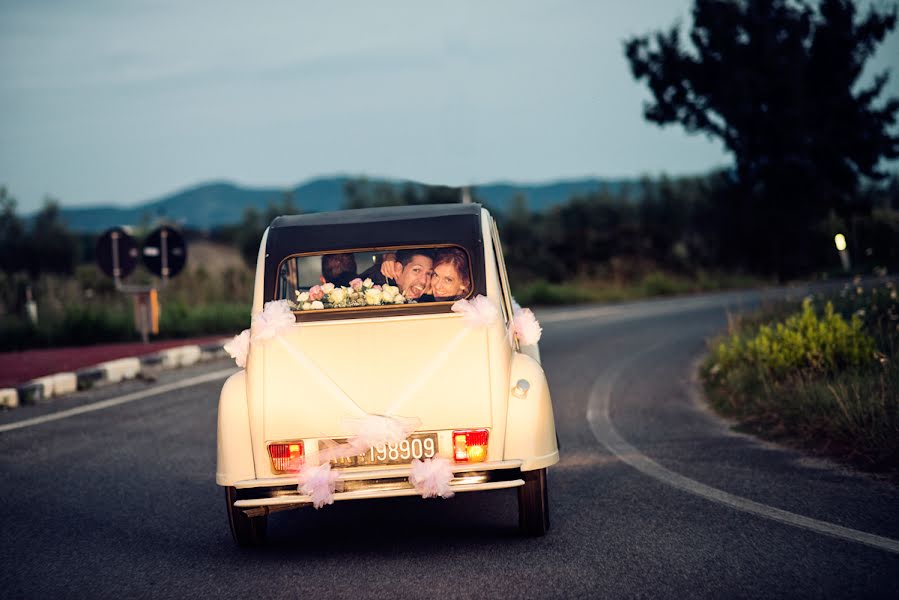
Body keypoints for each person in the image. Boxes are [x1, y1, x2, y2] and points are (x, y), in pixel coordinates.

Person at [363, 249, 434, 300]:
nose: (424, 281)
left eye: (428, 273)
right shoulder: (370, 290)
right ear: (398, 269)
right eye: (416, 270)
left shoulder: (431, 301)